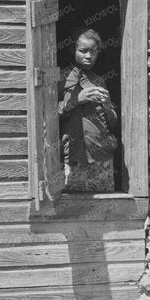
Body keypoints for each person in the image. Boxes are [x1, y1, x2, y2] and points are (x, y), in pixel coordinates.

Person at [58, 29, 119, 193]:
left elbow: (113, 122)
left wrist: (107, 105)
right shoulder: (60, 78)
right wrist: (77, 100)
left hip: (101, 156)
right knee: (70, 207)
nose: (89, 56)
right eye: (83, 51)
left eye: (93, 51)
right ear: (73, 51)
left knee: (104, 206)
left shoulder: (98, 81)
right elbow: (48, 115)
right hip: (73, 155)